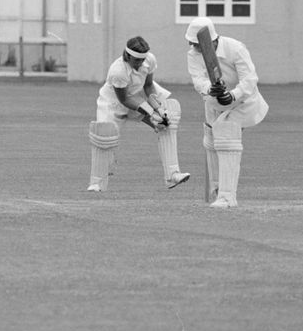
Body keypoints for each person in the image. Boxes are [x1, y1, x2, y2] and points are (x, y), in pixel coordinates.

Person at [87, 36, 190, 192]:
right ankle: (97, 183)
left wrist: (158, 108)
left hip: (138, 96)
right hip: (113, 104)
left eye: (142, 60)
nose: (141, 63)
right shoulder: (118, 71)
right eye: (137, 60)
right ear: (127, 56)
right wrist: (149, 111)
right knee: (104, 138)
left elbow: (148, 86)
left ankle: (172, 175)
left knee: (167, 125)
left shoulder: (149, 60)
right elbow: (124, 99)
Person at [185, 17, 269, 208]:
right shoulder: (193, 54)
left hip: (243, 102)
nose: (193, 47)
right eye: (191, 43)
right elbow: (198, 80)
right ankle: (215, 190)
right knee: (211, 141)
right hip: (214, 103)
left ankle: (227, 197)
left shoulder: (235, 48)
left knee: (226, 138)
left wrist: (232, 95)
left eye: (196, 44)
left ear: (213, 40)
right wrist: (211, 89)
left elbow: (249, 80)